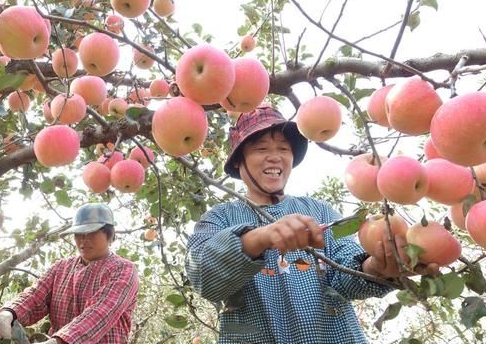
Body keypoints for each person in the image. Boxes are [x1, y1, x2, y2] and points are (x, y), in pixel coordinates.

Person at [185, 105, 439, 344]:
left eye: (283, 149)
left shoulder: (319, 211)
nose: (274, 158)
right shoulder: (219, 218)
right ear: (238, 161)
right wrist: (260, 238)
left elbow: (344, 274)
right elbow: (204, 279)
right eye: (261, 149)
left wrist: (376, 266)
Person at [0, 203, 139, 344]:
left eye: (91, 233)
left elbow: (101, 314)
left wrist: (59, 341)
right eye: (79, 234)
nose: (83, 240)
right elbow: (34, 297)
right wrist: (9, 313)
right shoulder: (61, 268)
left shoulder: (123, 270)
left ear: (110, 235)